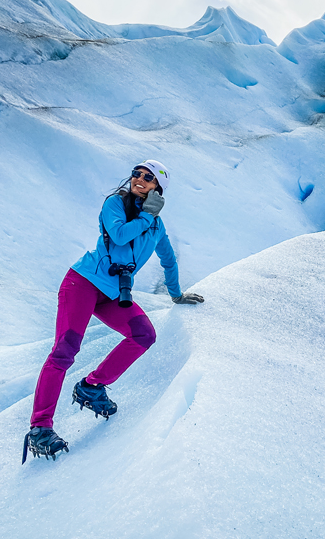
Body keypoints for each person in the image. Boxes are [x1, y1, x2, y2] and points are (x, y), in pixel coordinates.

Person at [22, 159, 203, 463]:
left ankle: (92, 386)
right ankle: (40, 427)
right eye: (137, 173)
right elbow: (119, 235)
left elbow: (168, 261)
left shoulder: (157, 226)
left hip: (112, 294)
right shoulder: (115, 204)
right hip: (82, 283)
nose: (139, 179)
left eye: (148, 177)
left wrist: (176, 294)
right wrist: (147, 215)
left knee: (144, 334)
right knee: (64, 351)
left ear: (159, 189)